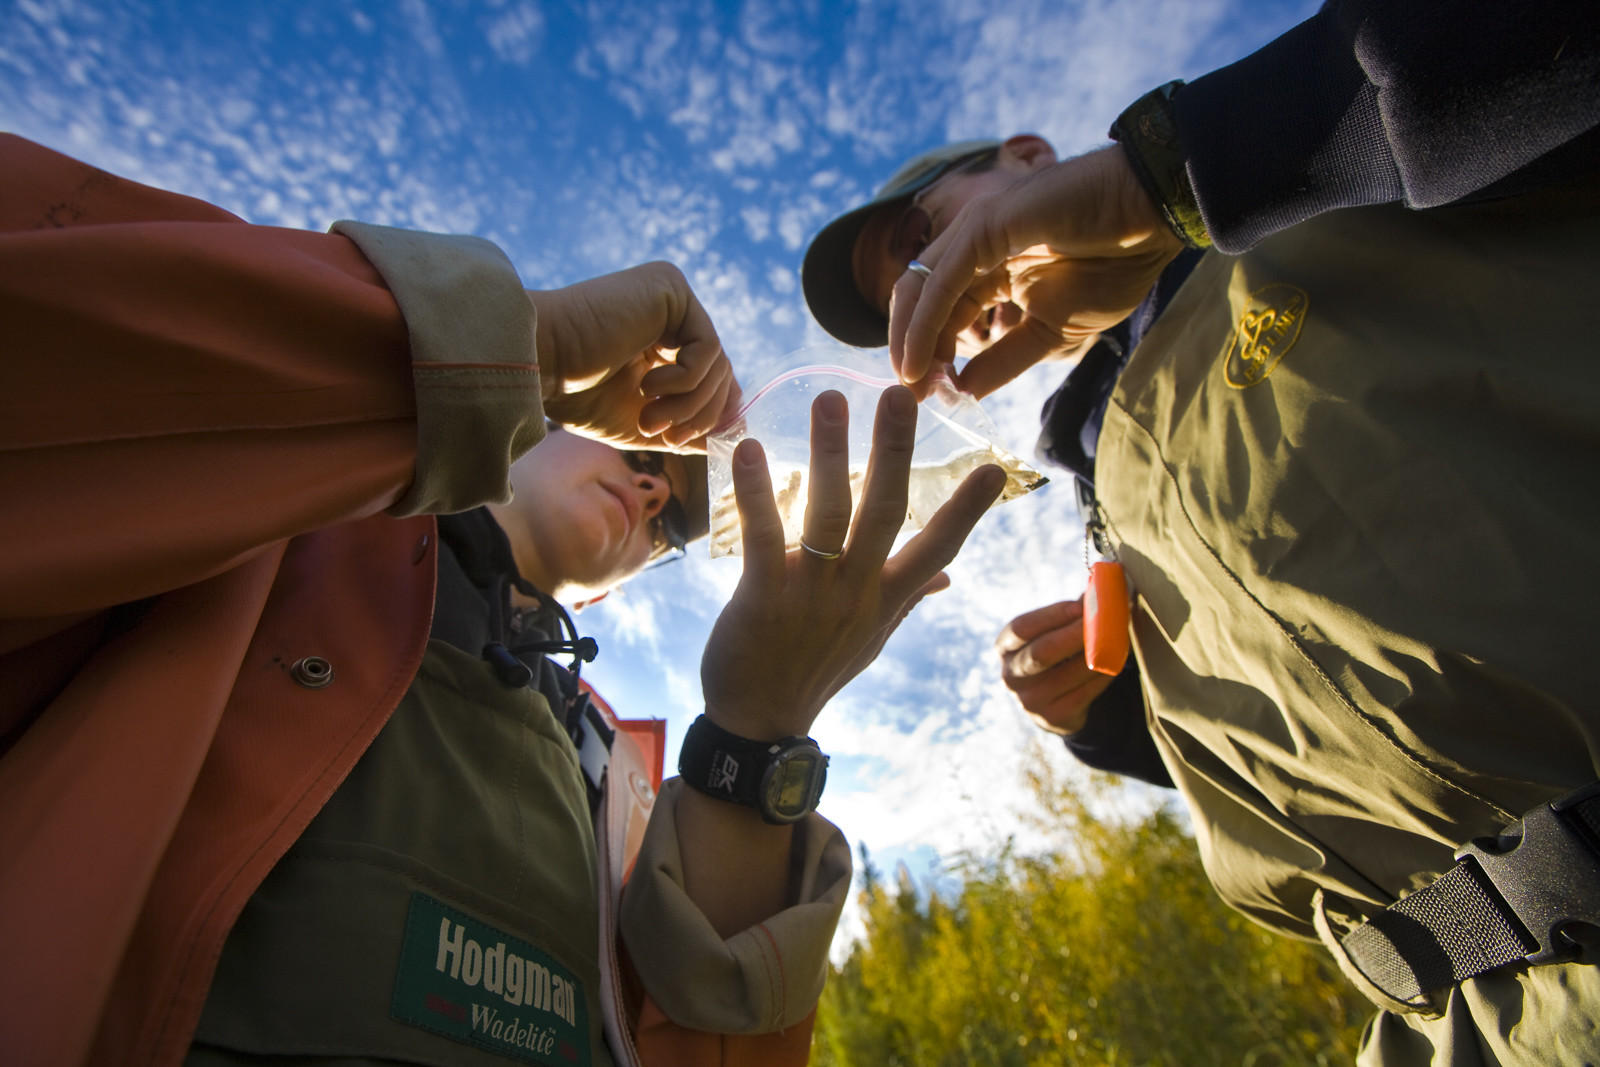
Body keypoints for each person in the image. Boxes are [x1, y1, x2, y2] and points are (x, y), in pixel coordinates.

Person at [0, 133, 1007, 1067]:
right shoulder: (252, 538)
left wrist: (760, 722)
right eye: (637, 452)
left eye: (669, 522)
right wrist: (506, 346)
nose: (653, 489)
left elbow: (699, 1038)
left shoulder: (624, 788)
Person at [801, 3, 1600, 1063]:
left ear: (1028, 160)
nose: (926, 289)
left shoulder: (1308, 177)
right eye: (905, 287)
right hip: (1471, 1030)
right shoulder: (1104, 492)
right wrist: (1111, 715)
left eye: (917, 240)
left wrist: (1177, 173)